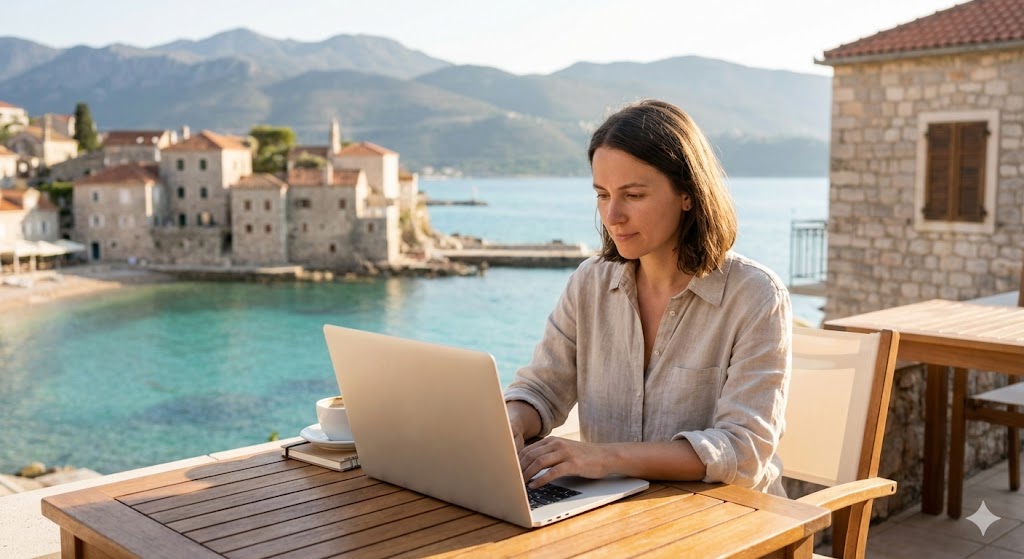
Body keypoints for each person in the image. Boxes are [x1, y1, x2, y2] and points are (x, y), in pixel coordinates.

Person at [503, 99, 792, 496]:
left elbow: (743, 451)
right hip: (615, 513)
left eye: (633, 195)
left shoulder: (755, 296)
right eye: (602, 195)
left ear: (687, 194)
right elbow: (542, 390)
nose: (612, 215)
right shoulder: (589, 284)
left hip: (729, 519)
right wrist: (510, 421)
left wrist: (602, 458)